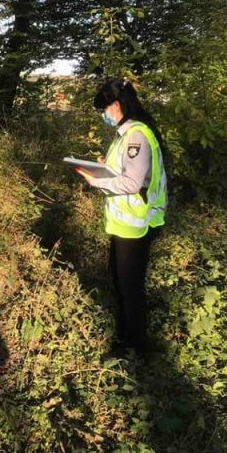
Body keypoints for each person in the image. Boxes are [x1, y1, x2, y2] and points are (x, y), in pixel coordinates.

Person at [76, 78, 167, 356]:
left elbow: (133, 183)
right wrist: (104, 168)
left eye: (103, 109)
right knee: (120, 282)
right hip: (124, 224)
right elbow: (124, 171)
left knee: (130, 288)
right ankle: (126, 338)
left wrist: (97, 182)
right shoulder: (125, 134)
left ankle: (136, 346)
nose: (102, 115)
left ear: (116, 105)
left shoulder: (136, 135)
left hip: (136, 224)